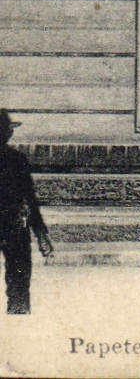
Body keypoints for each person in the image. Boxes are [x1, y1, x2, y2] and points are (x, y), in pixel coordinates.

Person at [1, 110, 53, 315]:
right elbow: (30, 200)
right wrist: (41, 234)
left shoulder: (17, 159)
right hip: (13, 226)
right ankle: (18, 318)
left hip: (13, 226)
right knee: (19, 284)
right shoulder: (17, 159)